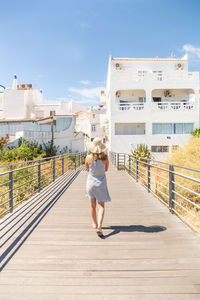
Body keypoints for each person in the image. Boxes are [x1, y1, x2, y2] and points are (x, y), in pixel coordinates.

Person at [85, 137, 111, 237]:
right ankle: (100, 225)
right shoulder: (105, 158)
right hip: (101, 183)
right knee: (101, 206)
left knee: (92, 205)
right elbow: (106, 169)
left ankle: (94, 223)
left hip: (90, 183)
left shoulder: (88, 158)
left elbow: (87, 169)